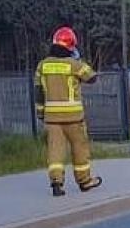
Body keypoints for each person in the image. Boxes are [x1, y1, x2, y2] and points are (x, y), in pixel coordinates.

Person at [35, 26, 101, 196]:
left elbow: (38, 92)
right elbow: (92, 77)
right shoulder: (73, 65)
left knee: (55, 151)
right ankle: (85, 181)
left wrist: (41, 113)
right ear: (71, 46)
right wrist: (79, 61)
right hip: (74, 118)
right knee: (79, 148)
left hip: (52, 119)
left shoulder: (43, 66)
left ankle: (56, 183)